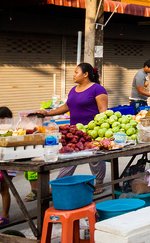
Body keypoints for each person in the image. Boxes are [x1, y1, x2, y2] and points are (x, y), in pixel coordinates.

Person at [38, 63, 108, 193]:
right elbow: (66, 107)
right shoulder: (73, 90)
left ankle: (99, 183)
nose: (73, 75)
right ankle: (57, 184)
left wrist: (101, 132)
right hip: (74, 132)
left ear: (85, 74)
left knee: (95, 159)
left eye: (76, 72)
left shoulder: (97, 89)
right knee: (69, 157)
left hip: (91, 131)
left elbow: (103, 111)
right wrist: (48, 113)